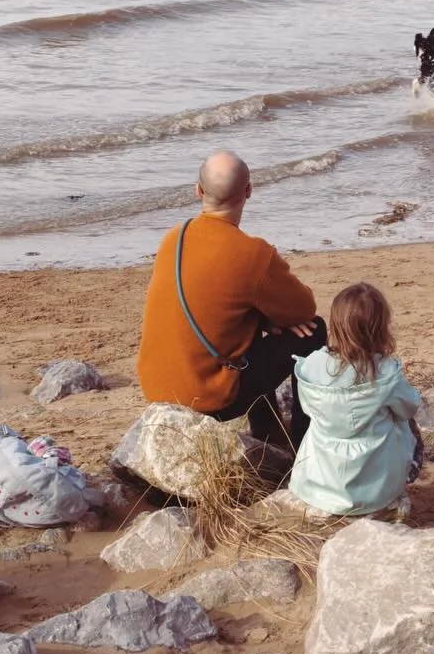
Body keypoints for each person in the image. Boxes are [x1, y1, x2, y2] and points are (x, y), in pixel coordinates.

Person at [136, 150, 326, 452]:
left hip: (158, 390)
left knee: (249, 321)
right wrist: (271, 318)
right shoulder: (254, 255)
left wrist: (264, 318)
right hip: (212, 401)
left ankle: (269, 430)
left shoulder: (174, 237)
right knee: (313, 330)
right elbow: (304, 309)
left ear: (198, 190)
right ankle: (304, 446)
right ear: (248, 191)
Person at [286, 282, 424, 517]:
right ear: (381, 329)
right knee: (406, 422)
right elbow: (410, 406)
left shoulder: (312, 365)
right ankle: (399, 477)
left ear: (335, 326)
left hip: (319, 485)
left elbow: (307, 408)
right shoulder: (386, 373)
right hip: (377, 491)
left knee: (319, 422)